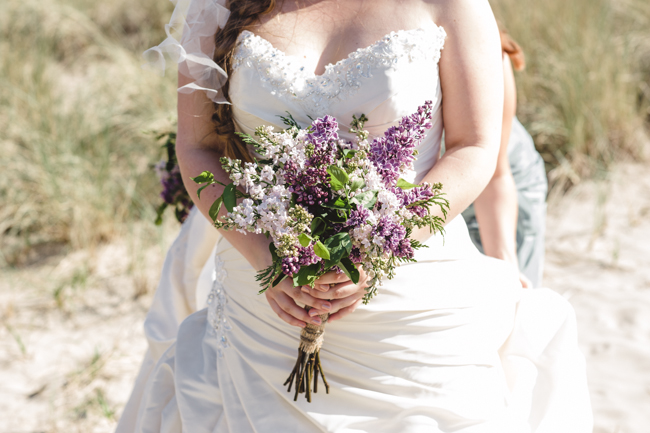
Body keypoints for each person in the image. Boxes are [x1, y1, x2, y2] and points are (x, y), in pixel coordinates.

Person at [116, 0, 593, 431]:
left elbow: (476, 148)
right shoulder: (220, 5)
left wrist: (382, 241)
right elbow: (198, 149)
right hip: (262, 309)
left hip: (410, 307)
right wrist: (266, 260)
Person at [461, 28, 548, 288]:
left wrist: (506, 265)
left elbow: (496, 174)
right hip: (442, 187)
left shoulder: (484, 42)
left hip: (502, 178)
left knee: (507, 287)